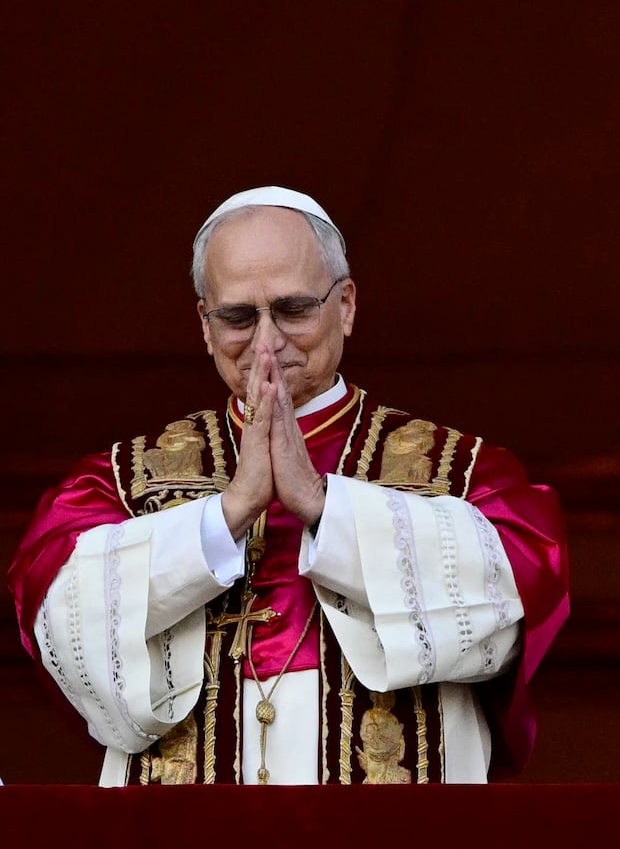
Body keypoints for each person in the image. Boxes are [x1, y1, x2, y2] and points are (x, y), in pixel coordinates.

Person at [7, 185, 569, 787]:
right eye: (237, 317)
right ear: (204, 322)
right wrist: (225, 516)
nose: (267, 341)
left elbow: (522, 584)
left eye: (294, 309)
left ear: (346, 305)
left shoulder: (458, 470)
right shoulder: (117, 481)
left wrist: (325, 507)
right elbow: (54, 608)